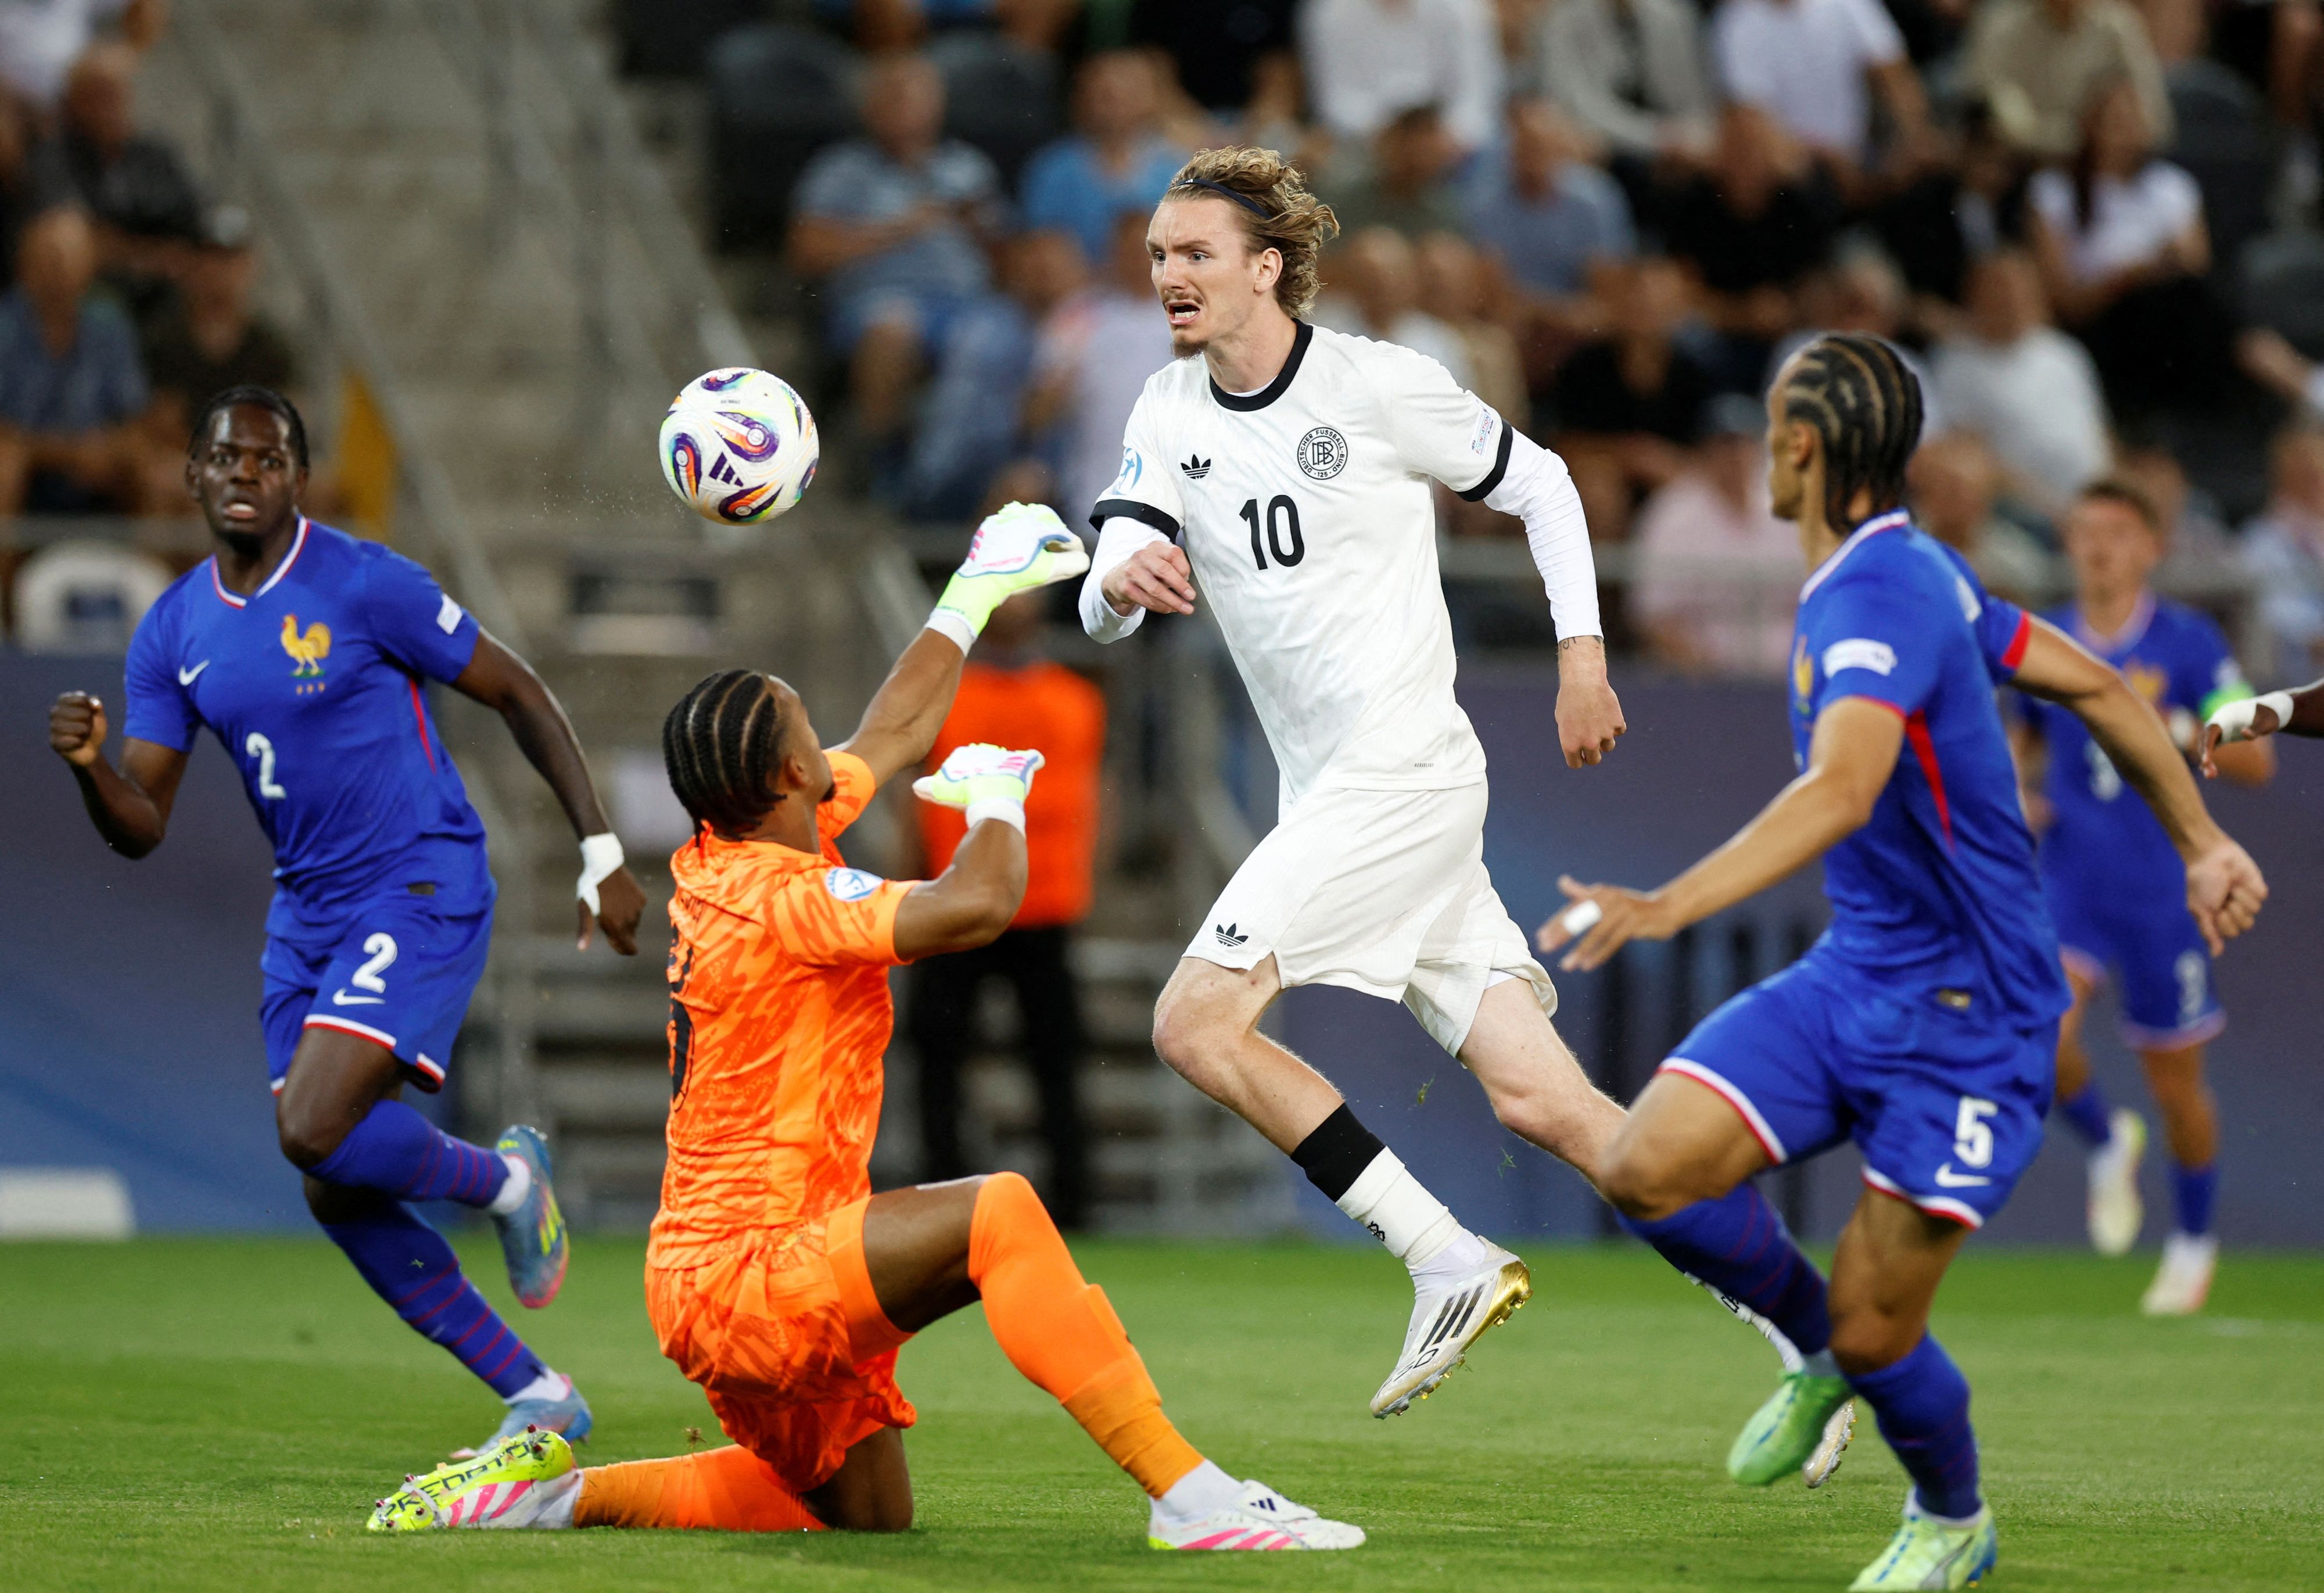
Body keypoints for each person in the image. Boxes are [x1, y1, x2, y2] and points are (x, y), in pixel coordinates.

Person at [365, 505, 1363, 1551]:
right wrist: (996, 803)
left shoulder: (736, 844)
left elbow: (894, 730)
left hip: (717, 1276)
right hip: (756, 1270)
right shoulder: (788, 899)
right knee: (999, 1211)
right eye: (805, 724)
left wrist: (974, 589)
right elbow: (978, 905)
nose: (823, 736)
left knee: (865, 1515)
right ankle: (1191, 1495)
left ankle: (556, 1495)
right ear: (790, 775)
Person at [1540, 333, 2266, 1588]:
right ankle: (1815, 1347)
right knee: (1644, 1166)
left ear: (1801, 447)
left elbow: (1841, 787)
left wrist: (1665, 903)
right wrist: (2201, 840)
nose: (1763, 454)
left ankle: (1950, 1516)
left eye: (1773, 427)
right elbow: (2096, 685)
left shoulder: (1880, 594)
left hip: (1976, 1018)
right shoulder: (1913, 571)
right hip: (1858, 974)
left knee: (1885, 1331)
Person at [1081, 146, 1641, 1420]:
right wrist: (1114, 580)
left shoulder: (1375, 384)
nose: (1168, 274)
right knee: (1546, 1101)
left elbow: (1543, 483)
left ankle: (1442, 1255)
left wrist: (1582, 659)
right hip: (1337, 793)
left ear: (1265, 267)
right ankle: (1801, 1315)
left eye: (1195, 252)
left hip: (1402, 771)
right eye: (1159, 254)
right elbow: (1109, 578)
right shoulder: (1166, 409)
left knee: (1193, 1023)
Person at [45, 387, 650, 1457]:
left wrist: (600, 851)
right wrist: (93, 767)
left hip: (420, 879)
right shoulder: (173, 630)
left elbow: (518, 690)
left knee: (313, 1127)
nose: (244, 473)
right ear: (192, 474)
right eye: (225, 456)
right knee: (333, 1182)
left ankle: (511, 1183)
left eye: (267, 459)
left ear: (299, 479)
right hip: (308, 912)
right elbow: (141, 825)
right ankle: (538, 1392)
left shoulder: (368, 583)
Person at [2008, 480, 2272, 1314]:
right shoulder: (2043, 642)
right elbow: (2020, 749)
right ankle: (2102, 1139)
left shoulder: (2188, 643)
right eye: (2085, 531)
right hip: (2072, 878)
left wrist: (2188, 730)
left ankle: (2192, 1243)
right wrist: (2018, 795)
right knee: (2037, 1029)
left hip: (2165, 887)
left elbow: (2257, 759)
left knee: (2177, 1083)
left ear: (2152, 548)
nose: (2099, 548)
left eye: (2118, 532)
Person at [910, 587, 1106, 1226]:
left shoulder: (1076, 698)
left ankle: (1072, 1203)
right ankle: (943, 1198)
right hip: (955, 900)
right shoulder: (949, 697)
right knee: (940, 1055)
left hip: (1045, 903)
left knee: (1055, 1059)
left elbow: (1097, 796)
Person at [788, 53, 1007, 451]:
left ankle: (969, 460)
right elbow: (806, 252)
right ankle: (879, 455)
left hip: (966, 302)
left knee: (1004, 333)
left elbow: (1006, 255)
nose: (904, 109)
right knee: (893, 328)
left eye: (915, 98)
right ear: (868, 109)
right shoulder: (841, 170)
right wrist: (898, 229)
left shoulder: (968, 168)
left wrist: (978, 229)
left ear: (938, 106)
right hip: (877, 301)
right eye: (892, 98)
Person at [2026, 77, 2220, 420]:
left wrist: (2154, 269)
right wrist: (2132, 274)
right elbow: (2066, 300)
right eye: (2115, 121)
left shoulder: (2171, 186)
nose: (2125, 132)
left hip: (2168, 316)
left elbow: (2196, 265)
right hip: (2101, 320)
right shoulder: (2054, 190)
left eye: (2134, 119)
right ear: (2090, 127)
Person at [1927, 249, 2111, 518]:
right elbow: (1972, 457)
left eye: (2021, 291)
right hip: (2020, 513)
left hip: (2091, 504)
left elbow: (2101, 435)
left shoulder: (2065, 352)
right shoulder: (1956, 363)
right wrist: (2054, 510)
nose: (2012, 300)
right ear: (1974, 296)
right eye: (2000, 292)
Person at [1544, 254, 1714, 543]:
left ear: (1679, 309)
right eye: (1637, 297)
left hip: (1669, 480)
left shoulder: (1695, 374)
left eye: (1657, 300)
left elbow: (1709, 454)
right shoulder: (1585, 365)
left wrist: (1664, 463)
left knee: (1690, 491)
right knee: (1600, 492)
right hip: (1601, 480)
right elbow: (1564, 445)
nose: (1646, 308)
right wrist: (1631, 455)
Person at [1628, 392, 1801, 677]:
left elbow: (1821, 597)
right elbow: (1654, 616)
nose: (1735, 455)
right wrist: (1705, 674)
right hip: (1703, 680)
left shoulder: (1790, 506)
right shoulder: (1673, 512)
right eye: (1725, 445)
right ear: (1705, 450)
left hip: (1790, 675)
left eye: (1743, 443)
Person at [0, 204, 153, 512]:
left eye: (69, 260)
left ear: (89, 265)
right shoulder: (6, 326)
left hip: (96, 455)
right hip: (26, 454)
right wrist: (65, 454)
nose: (60, 273)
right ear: (25, 266)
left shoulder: (109, 324)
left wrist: (108, 447)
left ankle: (150, 548)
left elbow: (136, 416)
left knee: (155, 472)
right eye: (50, 260)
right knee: (6, 466)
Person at [1708, 0, 1930, 182]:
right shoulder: (1736, 21)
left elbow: (1895, 77)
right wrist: (1825, 162)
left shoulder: (1850, 5)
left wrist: (1912, 138)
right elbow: (1752, 117)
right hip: (1799, 168)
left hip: (1860, 153)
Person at [1018, 52, 1187, 268]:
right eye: (1103, 95)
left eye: (1126, 94)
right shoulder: (1053, 169)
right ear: (1080, 98)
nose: (1115, 106)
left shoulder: (1176, 167)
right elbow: (1038, 244)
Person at [1966, 0, 2174, 162]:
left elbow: (2154, 120)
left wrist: (2110, 133)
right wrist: (2079, 139)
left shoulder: (2118, 27)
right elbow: (2001, 120)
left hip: (2097, 170)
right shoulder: (2001, 26)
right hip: (2020, 167)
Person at [1298, 0, 1503, 156]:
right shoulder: (1329, 11)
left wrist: (1448, 137)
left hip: (1449, 146)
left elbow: (1477, 98)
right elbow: (1336, 101)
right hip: (1367, 145)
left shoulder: (1464, 9)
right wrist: (1388, 136)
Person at [2236, 419, 2324, 681]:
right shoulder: (2260, 539)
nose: (2316, 477)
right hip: (2293, 675)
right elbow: (2262, 609)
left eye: (2318, 465)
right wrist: (2311, 634)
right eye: (2304, 469)